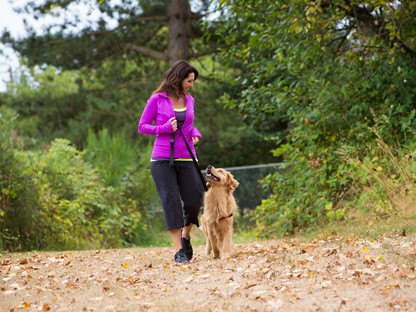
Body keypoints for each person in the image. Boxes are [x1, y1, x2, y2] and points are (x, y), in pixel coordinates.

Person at [138, 60, 203, 264]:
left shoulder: (189, 100)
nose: (191, 84)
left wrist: (196, 134)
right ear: (178, 78)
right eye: (189, 80)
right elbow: (142, 126)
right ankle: (178, 251)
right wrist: (162, 128)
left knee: (193, 201)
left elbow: (189, 126)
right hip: (162, 158)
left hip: (187, 156)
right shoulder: (157, 99)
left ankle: (186, 236)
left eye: (192, 81)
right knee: (171, 200)